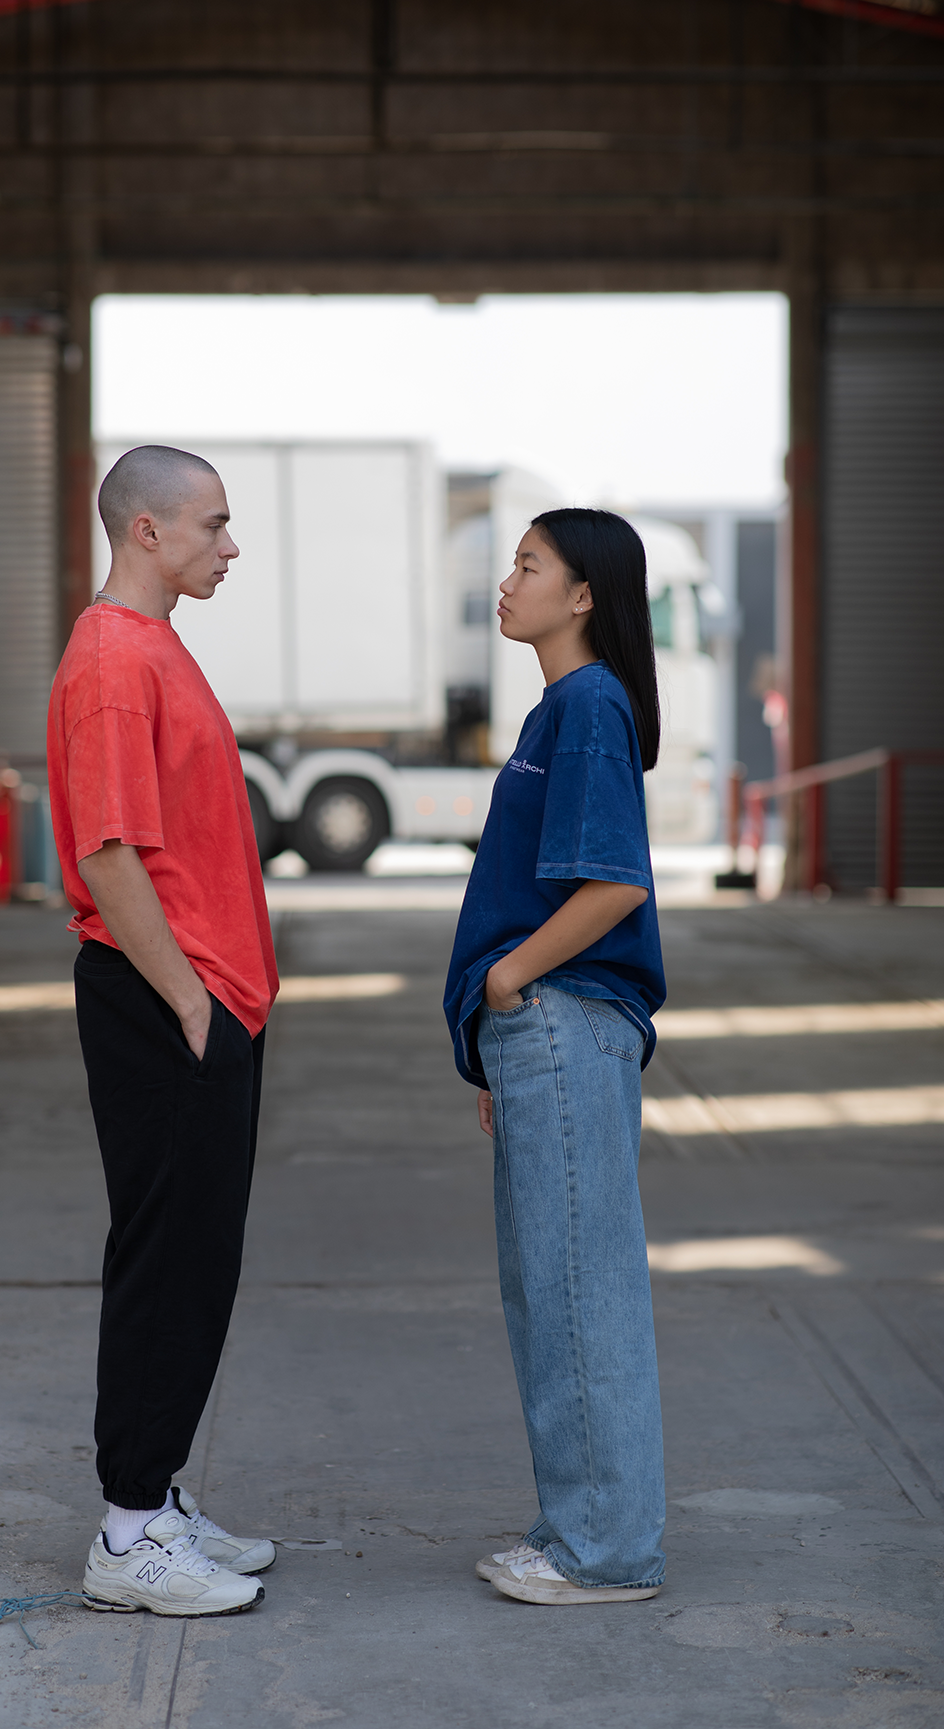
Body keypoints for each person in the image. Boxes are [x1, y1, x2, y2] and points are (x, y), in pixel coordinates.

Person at [47, 445, 279, 1617]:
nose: (229, 546)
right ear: (148, 530)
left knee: (201, 1261)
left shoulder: (154, 648)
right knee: (165, 1264)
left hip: (204, 996)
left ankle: (160, 1497)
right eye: (214, 526)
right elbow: (103, 850)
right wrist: (189, 1000)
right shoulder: (112, 662)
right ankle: (129, 1532)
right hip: (164, 999)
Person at [443, 507, 667, 1606]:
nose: (509, 579)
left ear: (584, 596)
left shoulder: (585, 704)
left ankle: (606, 1551)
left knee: (578, 1292)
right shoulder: (566, 707)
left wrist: (508, 979)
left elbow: (615, 882)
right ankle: (577, 1527)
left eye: (530, 564)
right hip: (548, 1033)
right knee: (555, 1290)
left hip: (563, 1014)